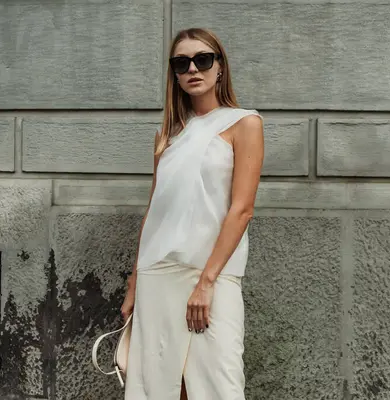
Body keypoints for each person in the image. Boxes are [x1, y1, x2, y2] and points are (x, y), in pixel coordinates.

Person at [120, 27, 264, 400]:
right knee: (160, 387)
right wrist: (134, 284)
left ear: (220, 67)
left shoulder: (244, 123)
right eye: (182, 63)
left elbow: (242, 209)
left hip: (211, 276)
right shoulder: (167, 135)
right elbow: (154, 211)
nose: (193, 69)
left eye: (203, 59)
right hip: (158, 276)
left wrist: (207, 282)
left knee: (219, 385)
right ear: (174, 74)